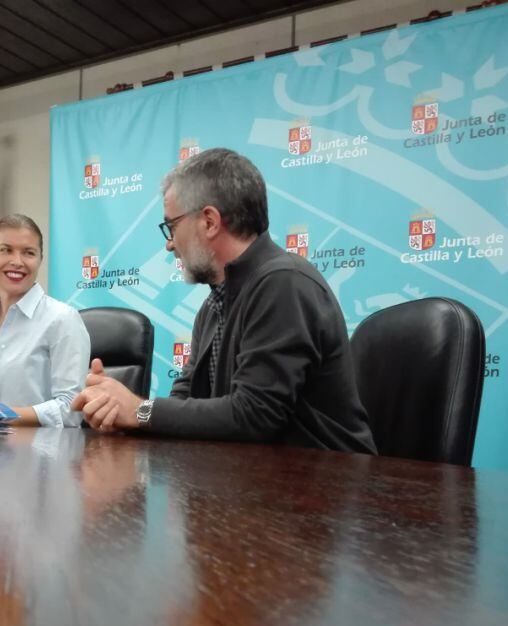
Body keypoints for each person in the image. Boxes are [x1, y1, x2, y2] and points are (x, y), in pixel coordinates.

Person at [73, 148, 375, 454]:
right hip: (248, 481)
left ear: (209, 222)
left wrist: (139, 411)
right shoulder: (214, 304)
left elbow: (256, 415)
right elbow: (184, 400)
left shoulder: (284, 283)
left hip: (324, 487)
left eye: (172, 226)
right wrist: (119, 414)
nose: (169, 244)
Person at [0, 214, 91, 427]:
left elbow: (71, 408)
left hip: (43, 455)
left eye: (28, 253)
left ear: (40, 259)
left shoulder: (62, 319)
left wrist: (0, 416)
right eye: (6, 250)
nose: (17, 262)